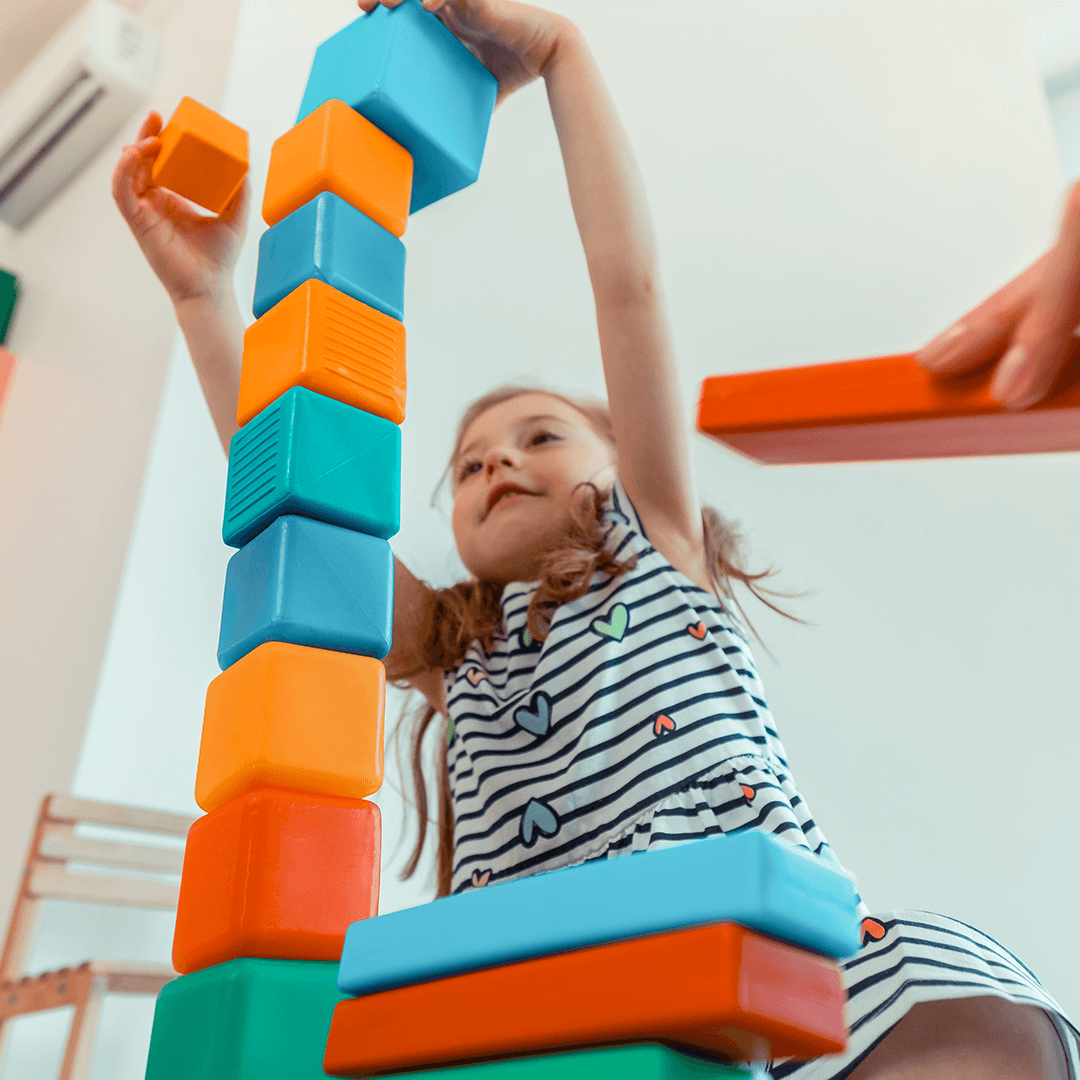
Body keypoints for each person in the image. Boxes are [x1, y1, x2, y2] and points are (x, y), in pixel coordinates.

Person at [112, 1, 1078, 1076]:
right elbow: (298, 489)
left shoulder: (656, 546)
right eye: (469, 466)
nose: (497, 464)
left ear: (618, 464)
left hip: (801, 984)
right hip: (575, 1015)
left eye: (539, 437)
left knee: (955, 1021)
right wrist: (205, 296)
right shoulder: (452, 652)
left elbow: (630, 286)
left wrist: (561, 52)